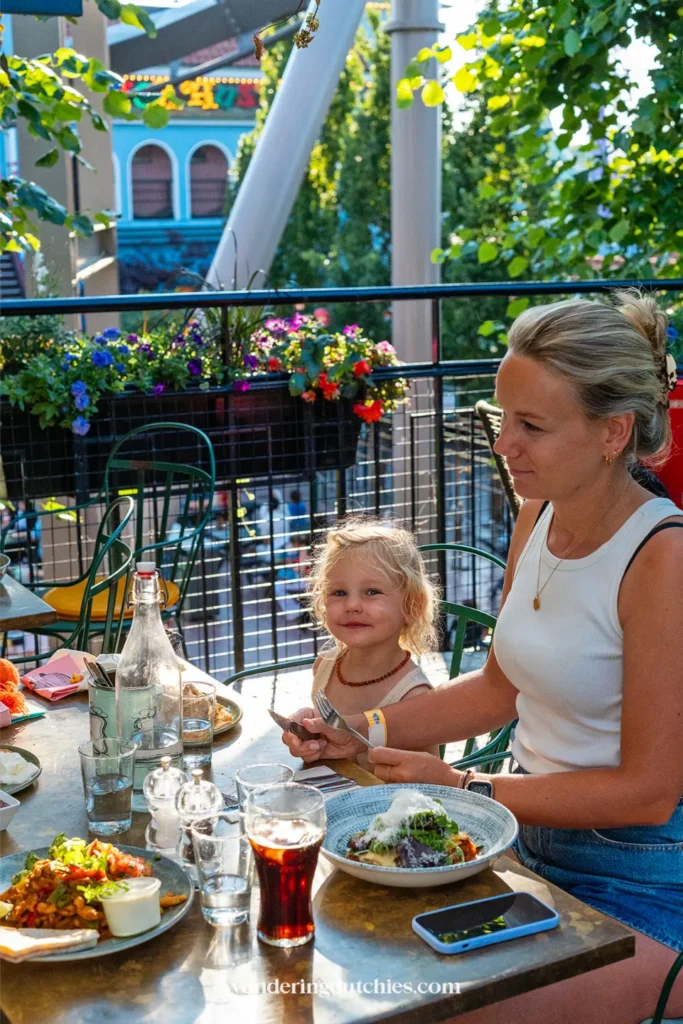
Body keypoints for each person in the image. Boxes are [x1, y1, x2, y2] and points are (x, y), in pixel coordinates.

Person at [282, 292, 683, 1021]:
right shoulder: (539, 513)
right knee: (343, 961)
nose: (503, 445)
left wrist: (467, 788)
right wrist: (358, 732)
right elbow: (500, 688)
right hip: (521, 841)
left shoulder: (662, 558)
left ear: (611, 432)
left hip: (641, 881)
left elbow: (649, 791)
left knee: (432, 1005)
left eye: (530, 426)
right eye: (505, 420)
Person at [302, 519, 441, 764]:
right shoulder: (324, 666)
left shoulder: (414, 696)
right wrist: (307, 727)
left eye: (372, 592)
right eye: (339, 593)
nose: (352, 605)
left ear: (411, 605)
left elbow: (424, 787)